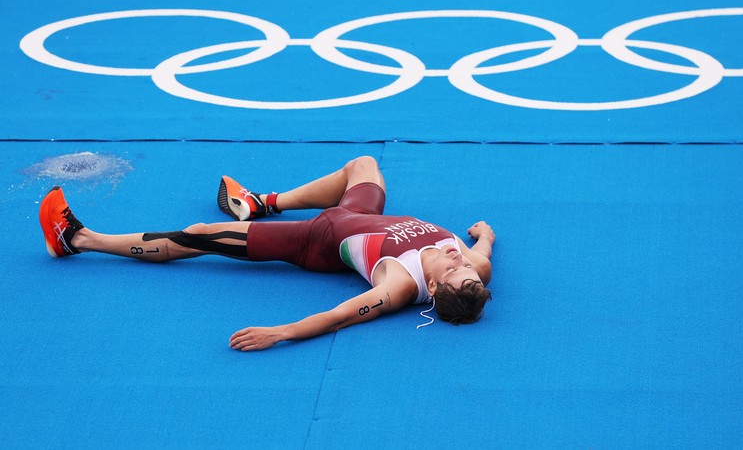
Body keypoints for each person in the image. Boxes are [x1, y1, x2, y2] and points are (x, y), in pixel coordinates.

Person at [38, 156, 495, 351]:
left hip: (316, 239)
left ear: (432, 287)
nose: (461, 263)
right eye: (468, 273)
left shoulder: (398, 285)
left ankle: (77, 239)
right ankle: (261, 202)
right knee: (364, 165)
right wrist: (484, 233)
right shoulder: (476, 264)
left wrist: (280, 333)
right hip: (359, 213)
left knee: (199, 235)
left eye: (457, 273)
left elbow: (339, 315)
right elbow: (483, 247)